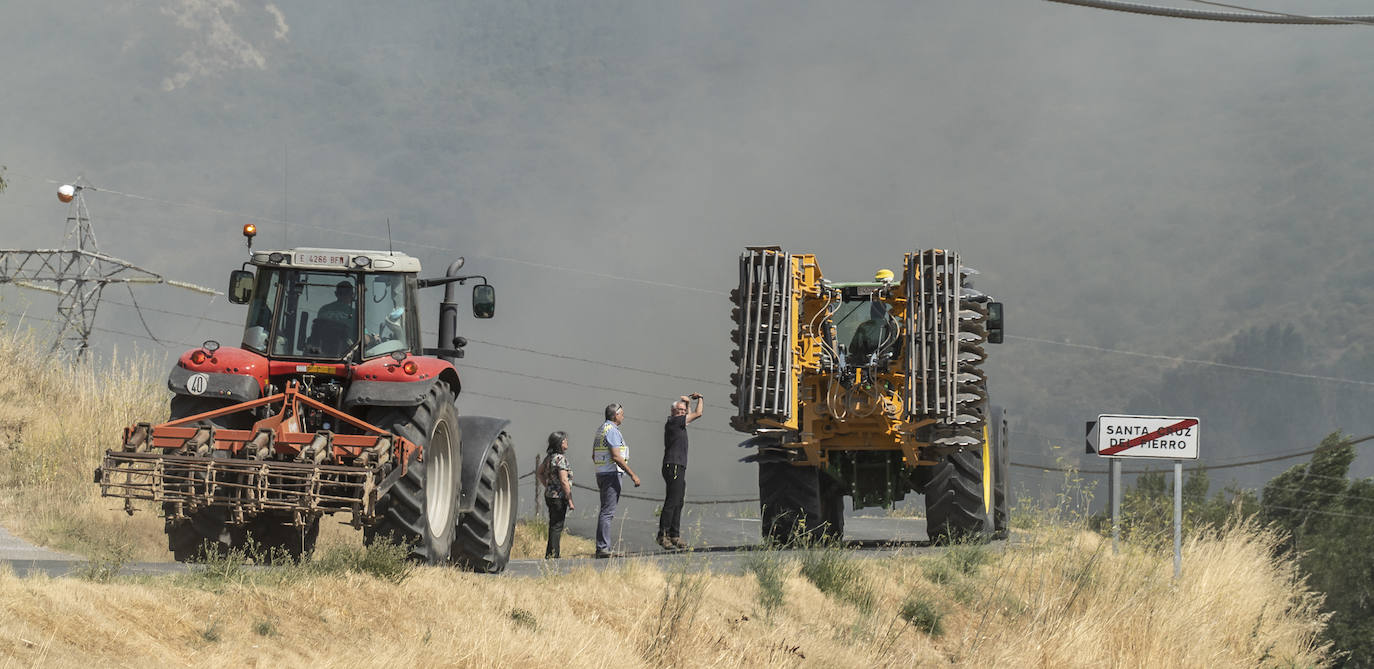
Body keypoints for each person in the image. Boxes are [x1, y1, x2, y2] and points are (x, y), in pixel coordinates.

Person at [592, 402, 640, 558]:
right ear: (615, 415)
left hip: (602, 473)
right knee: (607, 512)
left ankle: (603, 546)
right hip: (611, 474)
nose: (623, 416)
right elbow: (616, 456)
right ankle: (603, 548)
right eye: (622, 414)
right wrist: (632, 474)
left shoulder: (601, 429)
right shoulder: (612, 431)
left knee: (605, 510)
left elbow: (594, 455)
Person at [657, 392, 704, 550]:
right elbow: (698, 414)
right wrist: (701, 399)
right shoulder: (674, 422)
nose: (683, 413)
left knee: (678, 501)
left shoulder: (679, 421)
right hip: (674, 465)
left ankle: (674, 534)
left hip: (678, 465)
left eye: (684, 411)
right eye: (680, 410)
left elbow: (689, 416)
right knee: (672, 501)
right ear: (673, 411)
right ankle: (662, 535)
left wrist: (688, 404)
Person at [535, 431, 574, 559]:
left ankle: (550, 553)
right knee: (557, 526)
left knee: (553, 525)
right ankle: (554, 555)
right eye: (564, 440)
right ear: (560, 443)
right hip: (559, 497)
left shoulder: (549, 458)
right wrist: (569, 499)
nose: (567, 442)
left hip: (550, 495)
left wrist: (548, 486)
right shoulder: (560, 459)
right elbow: (563, 480)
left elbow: (539, 473)